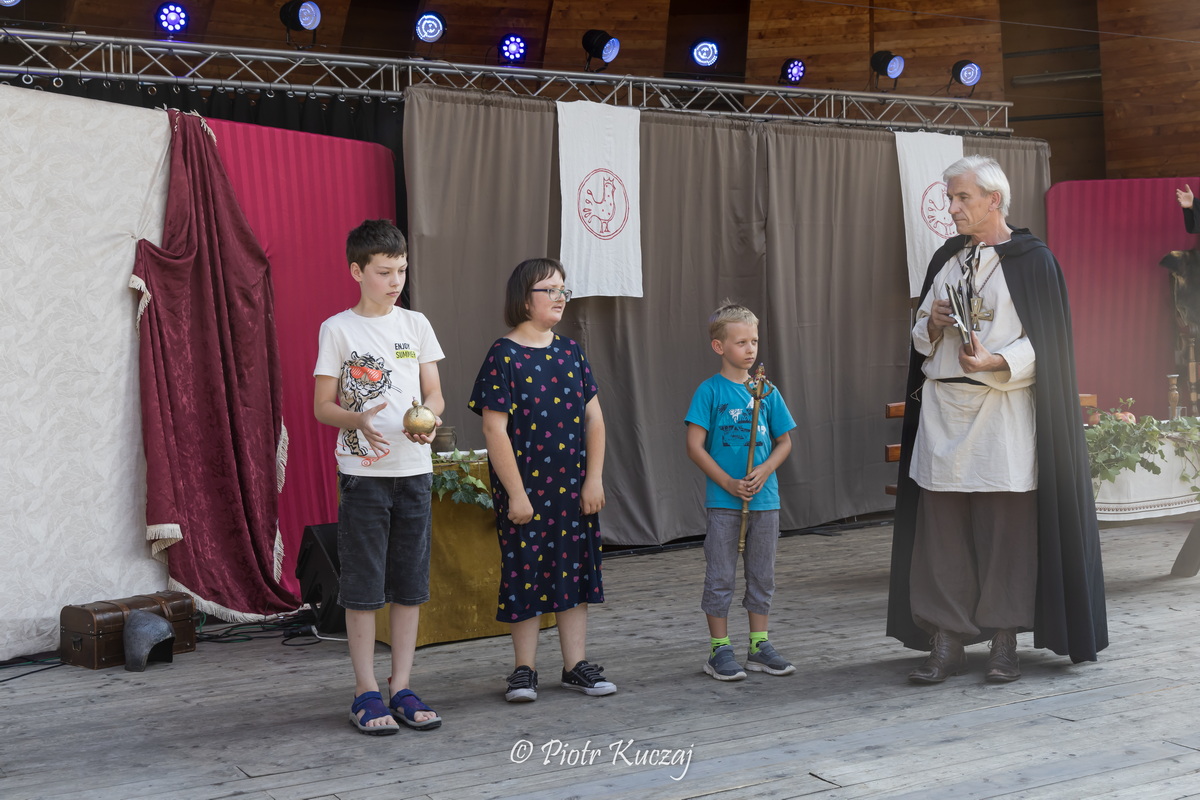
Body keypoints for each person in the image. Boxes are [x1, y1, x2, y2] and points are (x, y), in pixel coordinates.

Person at [887, 155, 1108, 684]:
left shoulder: (1034, 261)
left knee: (1006, 531)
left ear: (994, 200)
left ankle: (1004, 638)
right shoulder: (947, 258)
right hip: (943, 411)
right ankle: (947, 638)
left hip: (1002, 411)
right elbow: (919, 336)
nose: (952, 208)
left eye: (962, 197)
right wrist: (930, 322)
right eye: (950, 198)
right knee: (941, 533)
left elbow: (1049, 343)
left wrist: (996, 361)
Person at [313, 219, 445, 735]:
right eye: (384, 271)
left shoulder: (417, 324)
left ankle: (402, 686)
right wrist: (356, 419)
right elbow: (322, 406)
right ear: (357, 271)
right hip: (363, 476)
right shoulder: (337, 329)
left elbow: (435, 394)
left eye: (402, 271)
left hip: (414, 472)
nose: (395, 281)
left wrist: (429, 418)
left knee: (410, 586)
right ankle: (365, 691)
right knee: (364, 588)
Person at [468, 258, 615, 702]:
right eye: (549, 289)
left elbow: (595, 419)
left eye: (562, 289)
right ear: (524, 298)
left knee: (575, 573)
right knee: (525, 573)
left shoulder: (571, 352)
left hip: (573, 488)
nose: (560, 297)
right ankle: (524, 669)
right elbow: (494, 429)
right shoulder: (503, 355)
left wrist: (594, 479)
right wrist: (516, 493)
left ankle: (575, 665)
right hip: (526, 491)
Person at [685, 302, 796, 681]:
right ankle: (719, 649)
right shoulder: (709, 391)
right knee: (720, 576)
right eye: (741, 342)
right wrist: (728, 483)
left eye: (755, 341)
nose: (750, 349)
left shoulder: (767, 391)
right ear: (719, 347)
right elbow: (694, 446)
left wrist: (765, 469)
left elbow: (784, 441)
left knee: (762, 575)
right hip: (724, 502)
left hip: (765, 501)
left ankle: (759, 646)